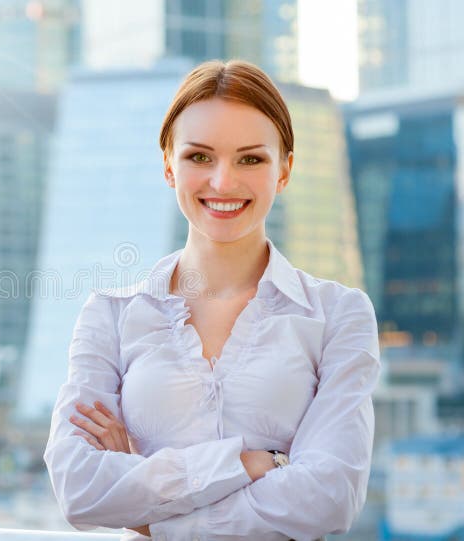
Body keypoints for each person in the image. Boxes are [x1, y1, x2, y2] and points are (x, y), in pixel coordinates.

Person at [43, 59, 381, 541]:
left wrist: (144, 508)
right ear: (168, 165)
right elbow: (78, 489)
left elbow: (330, 499)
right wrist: (246, 464)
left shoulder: (338, 315)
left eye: (251, 159)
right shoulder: (110, 315)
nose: (223, 182)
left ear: (284, 170)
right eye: (199, 157)